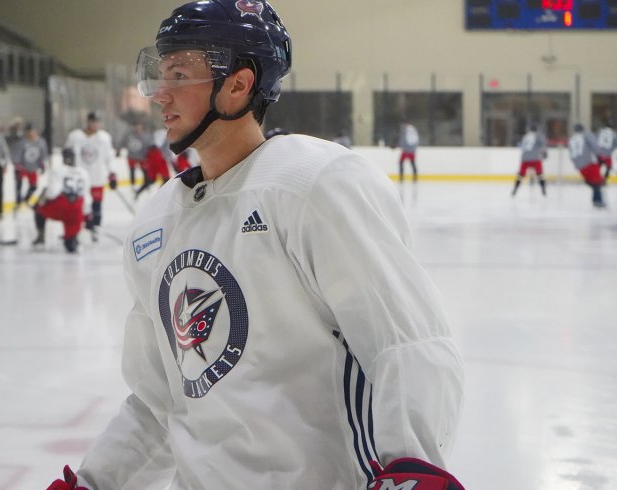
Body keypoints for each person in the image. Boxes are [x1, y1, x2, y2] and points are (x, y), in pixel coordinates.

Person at [46, 1, 465, 489]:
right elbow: (161, 402)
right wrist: (96, 483)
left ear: (238, 84)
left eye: (179, 74)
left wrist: (412, 466)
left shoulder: (314, 186)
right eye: (159, 75)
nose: (160, 94)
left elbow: (405, 343)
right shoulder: (155, 224)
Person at [65, 111, 117, 242]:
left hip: (96, 178)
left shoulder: (104, 138)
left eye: (97, 121)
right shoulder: (75, 137)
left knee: (96, 206)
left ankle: (95, 230)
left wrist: (112, 174)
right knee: (77, 207)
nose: (95, 124)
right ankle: (75, 232)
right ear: (87, 121)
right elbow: (67, 155)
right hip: (79, 180)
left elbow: (109, 158)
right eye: (92, 121)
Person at [32, 148, 90, 253]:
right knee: (70, 246)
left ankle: (41, 237)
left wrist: (40, 202)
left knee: (39, 210)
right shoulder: (83, 172)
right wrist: (87, 215)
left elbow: (52, 193)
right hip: (77, 209)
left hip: (61, 206)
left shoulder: (58, 170)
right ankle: (73, 238)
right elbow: (86, 196)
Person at [568, 124, 606, 208]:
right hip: (588, 162)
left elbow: (570, 153)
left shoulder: (572, 139)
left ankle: (595, 198)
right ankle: (597, 200)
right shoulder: (586, 136)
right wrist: (600, 156)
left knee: (593, 181)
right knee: (597, 181)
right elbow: (594, 146)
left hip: (579, 165)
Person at [14, 123, 49, 212]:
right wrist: (17, 165)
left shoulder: (41, 142)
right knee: (19, 185)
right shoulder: (23, 142)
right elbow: (17, 154)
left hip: (33, 167)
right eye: (29, 132)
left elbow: (43, 154)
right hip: (22, 167)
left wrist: (42, 165)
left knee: (34, 186)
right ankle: (18, 202)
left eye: (33, 132)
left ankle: (26, 199)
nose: (31, 134)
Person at [511, 123, 547, 197]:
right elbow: (543, 146)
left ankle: (515, 189)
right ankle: (543, 190)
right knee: (540, 174)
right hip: (535, 158)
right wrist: (545, 154)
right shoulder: (538, 136)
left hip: (525, 158)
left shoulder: (525, 136)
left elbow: (522, 147)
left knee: (520, 175)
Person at [117, 120, 153, 186]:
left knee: (145, 171)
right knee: (132, 171)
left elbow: (149, 146)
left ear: (142, 127)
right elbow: (122, 143)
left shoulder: (146, 136)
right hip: (131, 157)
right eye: (136, 127)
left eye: (139, 127)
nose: (137, 128)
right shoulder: (129, 136)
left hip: (142, 157)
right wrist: (118, 150)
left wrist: (148, 155)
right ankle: (132, 185)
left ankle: (146, 184)